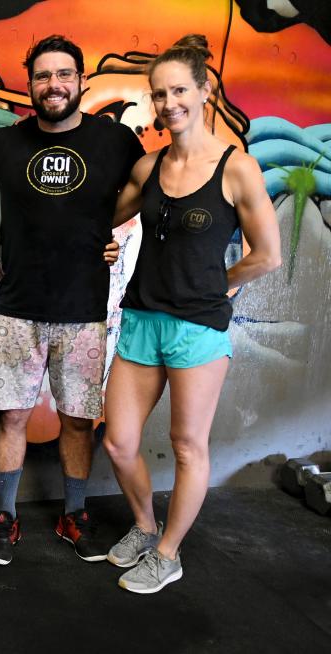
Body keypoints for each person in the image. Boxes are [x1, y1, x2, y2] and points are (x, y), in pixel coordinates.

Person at [103, 34, 281, 593]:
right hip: (141, 318)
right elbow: (108, 220)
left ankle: (168, 553)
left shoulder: (237, 168)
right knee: (119, 441)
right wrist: (104, 244)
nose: (168, 103)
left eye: (179, 90)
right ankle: (143, 524)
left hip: (198, 329)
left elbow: (268, 256)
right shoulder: (149, 166)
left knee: (186, 445)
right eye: (159, 94)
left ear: (203, 92)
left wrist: (216, 285)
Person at [0, 34, 145, 566]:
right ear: (30, 86)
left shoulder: (115, 141)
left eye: (63, 74)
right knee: (12, 418)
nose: (54, 85)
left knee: (77, 421)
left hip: (85, 311)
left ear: (81, 80)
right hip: (16, 308)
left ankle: (74, 515)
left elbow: (154, 188)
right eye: (43, 76)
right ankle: (4, 516)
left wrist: (112, 231)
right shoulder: (3, 144)